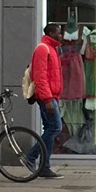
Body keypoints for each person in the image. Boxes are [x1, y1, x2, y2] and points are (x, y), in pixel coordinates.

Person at [29, 23, 65, 178]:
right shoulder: (43, 49)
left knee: (50, 129)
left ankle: (44, 167)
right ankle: (31, 156)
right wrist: (48, 99)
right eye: (58, 33)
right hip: (47, 97)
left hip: (51, 96)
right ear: (51, 33)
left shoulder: (52, 49)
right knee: (55, 128)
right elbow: (41, 76)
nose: (61, 35)